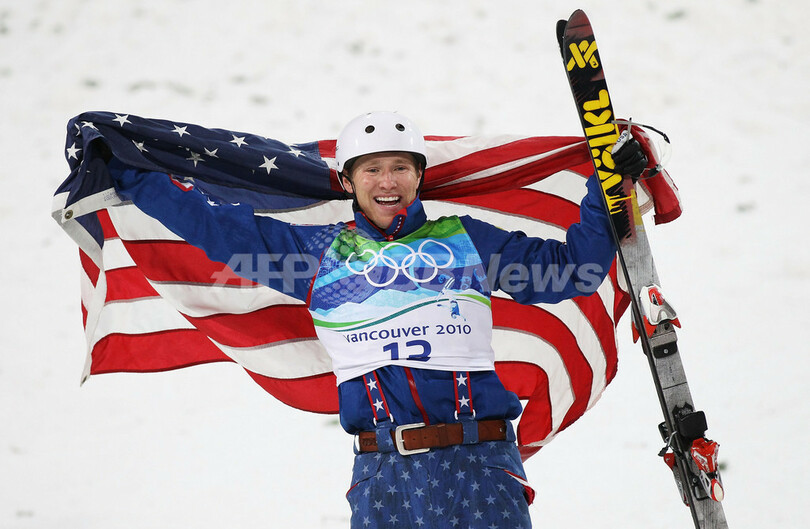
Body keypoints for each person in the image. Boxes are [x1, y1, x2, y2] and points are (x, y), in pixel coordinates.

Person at [108, 111, 647, 528]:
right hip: (385, 475)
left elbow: (572, 271)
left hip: (481, 465)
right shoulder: (315, 255)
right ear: (349, 181)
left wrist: (606, 185)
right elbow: (216, 228)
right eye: (372, 169)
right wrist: (122, 169)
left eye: (400, 167)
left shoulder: (467, 241)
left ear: (419, 176)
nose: (387, 180)